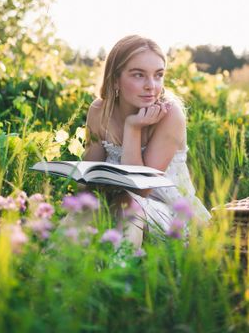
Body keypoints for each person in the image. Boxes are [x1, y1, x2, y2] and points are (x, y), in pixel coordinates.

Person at [83, 35, 211, 247]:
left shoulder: (170, 115)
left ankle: (121, 275)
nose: (151, 85)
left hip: (171, 214)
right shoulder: (100, 111)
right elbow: (89, 184)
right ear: (115, 79)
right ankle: (46, 272)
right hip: (113, 205)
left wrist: (133, 128)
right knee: (83, 209)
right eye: (139, 75)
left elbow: (140, 189)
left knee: (129, 203)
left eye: (158, 75)